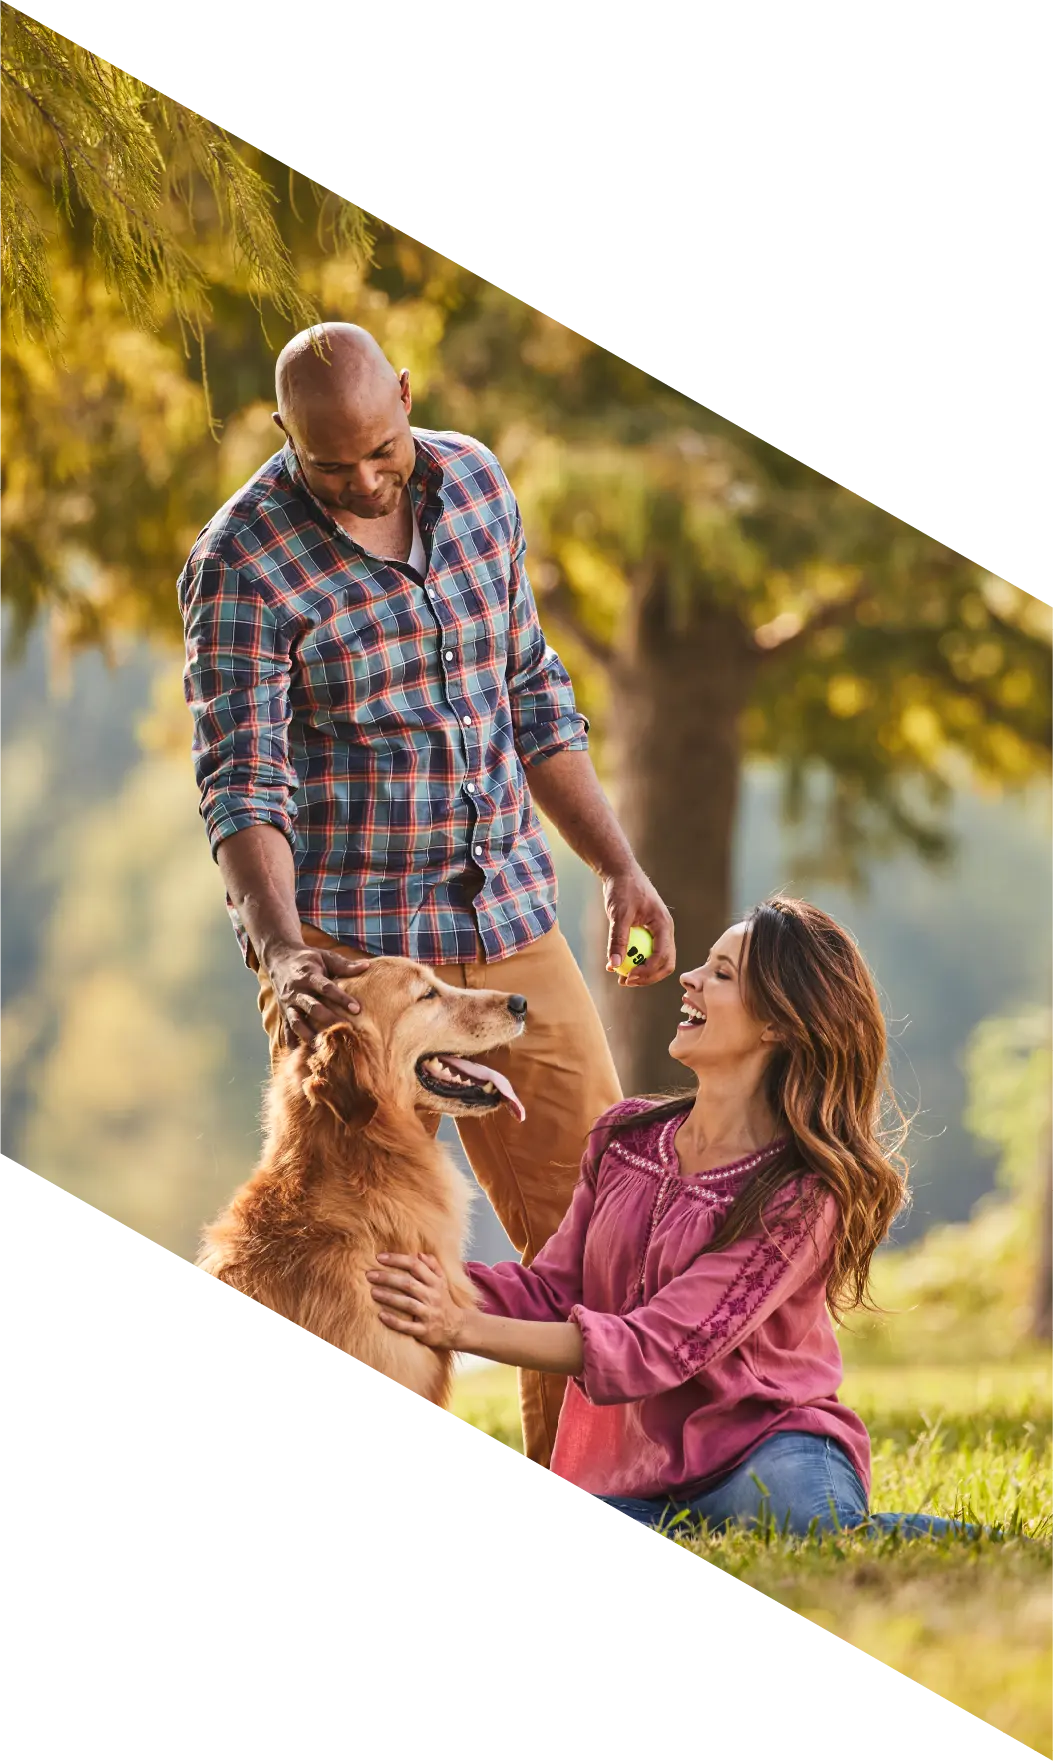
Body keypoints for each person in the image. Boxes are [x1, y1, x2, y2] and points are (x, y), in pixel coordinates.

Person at [177, 321, 676, 1471]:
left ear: (405, 398)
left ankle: (589, 1474)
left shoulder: (480, 486)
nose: (360, 480)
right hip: (355, 964)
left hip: (504, 911)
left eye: (378, 452)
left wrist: (618, 865)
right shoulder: (243, 560)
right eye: (328, 463)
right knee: (345, 1250)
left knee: (599, 1215)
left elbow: (533, 697)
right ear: (283, 437)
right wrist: (284, 953)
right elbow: (243, 780)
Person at [367, 895, 978, 1540]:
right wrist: (410, 1275)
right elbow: (552, 1292)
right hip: (631, 1473)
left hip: (766, 1455)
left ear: (777, 1023)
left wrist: (458, 1324)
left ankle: (995, 1548)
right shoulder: (625, 1137)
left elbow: (656, 1347)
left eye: (720, 974)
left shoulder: (800, 1195)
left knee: (818, 1534)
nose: (688, 977)